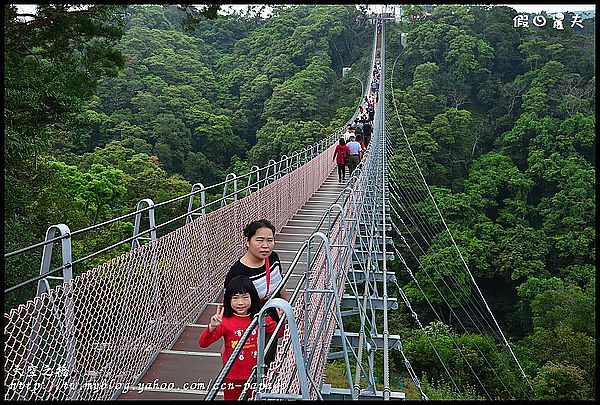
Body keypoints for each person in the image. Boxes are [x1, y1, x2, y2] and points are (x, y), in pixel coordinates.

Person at [199, 275, 285, 400]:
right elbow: (203, 343)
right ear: (228, 300)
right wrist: (211, 327)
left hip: (256, 374)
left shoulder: (260, 318)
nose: (240, 303)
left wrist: (282, 320)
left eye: (245, 297)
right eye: (235, 298)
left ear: (252, 298)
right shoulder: (224, 321)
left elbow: (278, 333)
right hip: (232, 376)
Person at [225, 219, 288, 366]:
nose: (265, 246)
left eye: (270, 240)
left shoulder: (273, 258)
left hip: (273, 317)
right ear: (248, 241)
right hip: (251, 324)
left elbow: (280, 283)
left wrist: (286, 307)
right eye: (259, 240)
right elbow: (232, 305)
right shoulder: (238, 272)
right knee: (251, 363)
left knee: (268, 359)